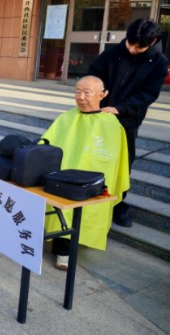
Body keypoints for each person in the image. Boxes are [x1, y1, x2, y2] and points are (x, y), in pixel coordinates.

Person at [43, 75, 130, 270]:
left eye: (87, 93)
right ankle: (62, 250)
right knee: (64, 209)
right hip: (64, 177)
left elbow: (119, 158)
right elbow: (46, 143)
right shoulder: (66, 118)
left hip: (94, 178)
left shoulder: (112, 125)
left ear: (102, 95)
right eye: (78, 91)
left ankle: (73, 243)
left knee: (89, 210)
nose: (81, 97)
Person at [88, 18, 169, 228]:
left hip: (127, 121)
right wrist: (96, 93)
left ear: (153, 41)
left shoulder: (159, 62)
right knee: (92, 159)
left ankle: (117, 205)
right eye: (130, 43)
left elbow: (148, 95)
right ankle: (89, 200)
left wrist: (120, 109)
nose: (132, 49)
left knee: (122, 166)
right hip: (98, 115)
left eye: (138, 47)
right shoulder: (114, 52)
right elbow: (94, 73)